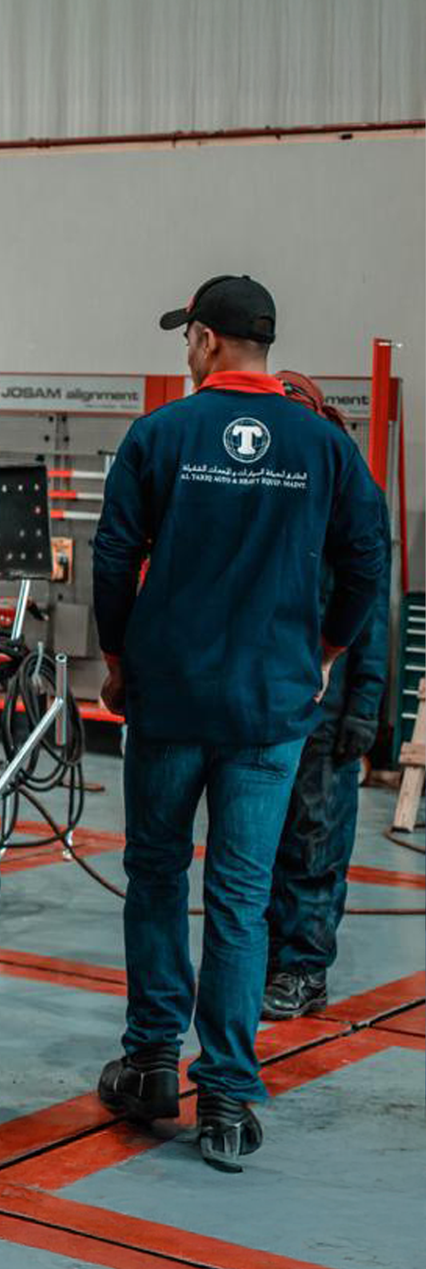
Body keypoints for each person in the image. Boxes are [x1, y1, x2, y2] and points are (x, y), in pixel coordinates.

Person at [92, 276, 388, 1172]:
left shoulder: (161, 435)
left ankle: (151, 1062)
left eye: (187, 336)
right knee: (240, 896)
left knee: (155, 876)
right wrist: (326, 650)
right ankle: (224, 1094)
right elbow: (367, 560)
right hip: (271, 707)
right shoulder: (323, 444)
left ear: (207, 341)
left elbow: (114, 556)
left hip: (171, 700)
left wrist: (117, 657)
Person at [262, 372, 390, 1020]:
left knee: (315, 838)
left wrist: (365, 706)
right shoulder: (272, 489)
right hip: (268, 698)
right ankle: (268, 959)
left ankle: (304, 969)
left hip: (329, 702)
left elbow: (372, 609)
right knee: (263, 836)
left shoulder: (352, 490)